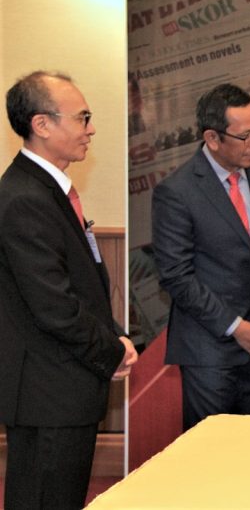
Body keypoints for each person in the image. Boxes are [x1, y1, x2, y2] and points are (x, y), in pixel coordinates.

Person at [0, 71, 137, 509]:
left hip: (63, 387)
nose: (90, 129)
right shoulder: (25, 198)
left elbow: (82, 284)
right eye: (82, 118)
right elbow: (54, 306)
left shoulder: (47, 190)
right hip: (48, 393)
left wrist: (114, 334)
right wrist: (111, 351)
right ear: (42, 124)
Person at [151, 83, 250, 431]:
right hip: (209, 348)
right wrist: (235, 327)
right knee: (211, 451)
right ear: (212, 138)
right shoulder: (177, 191)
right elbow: (176, 276)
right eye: (246, 136)